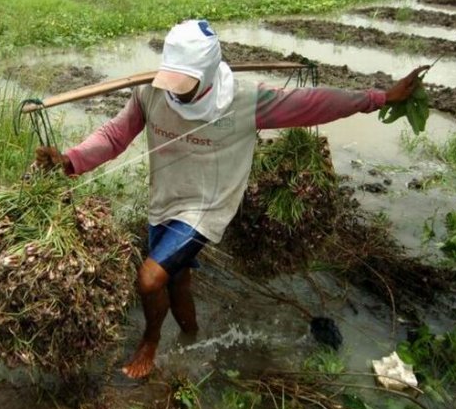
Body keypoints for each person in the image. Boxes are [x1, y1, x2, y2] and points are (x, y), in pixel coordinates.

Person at [35, 19, 429, 379]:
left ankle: (149, 344)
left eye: (183, 82)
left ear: (206, 76)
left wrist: (379, 97)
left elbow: (316, 103)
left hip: (206, 208)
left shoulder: (244, 100)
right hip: (165, 199)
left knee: (150, 278)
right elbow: (113, 136)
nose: (172, 89)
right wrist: (70, 160)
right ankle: (191, 337)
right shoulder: (150, 93)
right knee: (177, 280)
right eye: (169, 78)